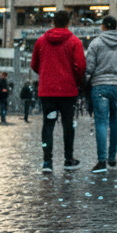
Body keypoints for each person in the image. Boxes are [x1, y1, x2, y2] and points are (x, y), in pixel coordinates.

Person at [32, 9, 86, 171]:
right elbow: (81, 66)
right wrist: (75, 80)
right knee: (68, 125)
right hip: (67, 91)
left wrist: (46, 75)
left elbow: (34, 64)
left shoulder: (41, 41)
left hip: (47, 91)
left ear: (53, 22)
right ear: (68, 22)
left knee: (47, 125)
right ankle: (68, 159)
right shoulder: (75, 41)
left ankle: (47, 161)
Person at [85, 14, 117, 173]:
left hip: (100, 86)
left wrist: (91, 79)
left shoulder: (96, 43)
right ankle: (112, 157)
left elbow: (89, 68)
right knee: (115, 120)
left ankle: (101, 161)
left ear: (103, 27)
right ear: (116, 26)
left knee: (101, 122)